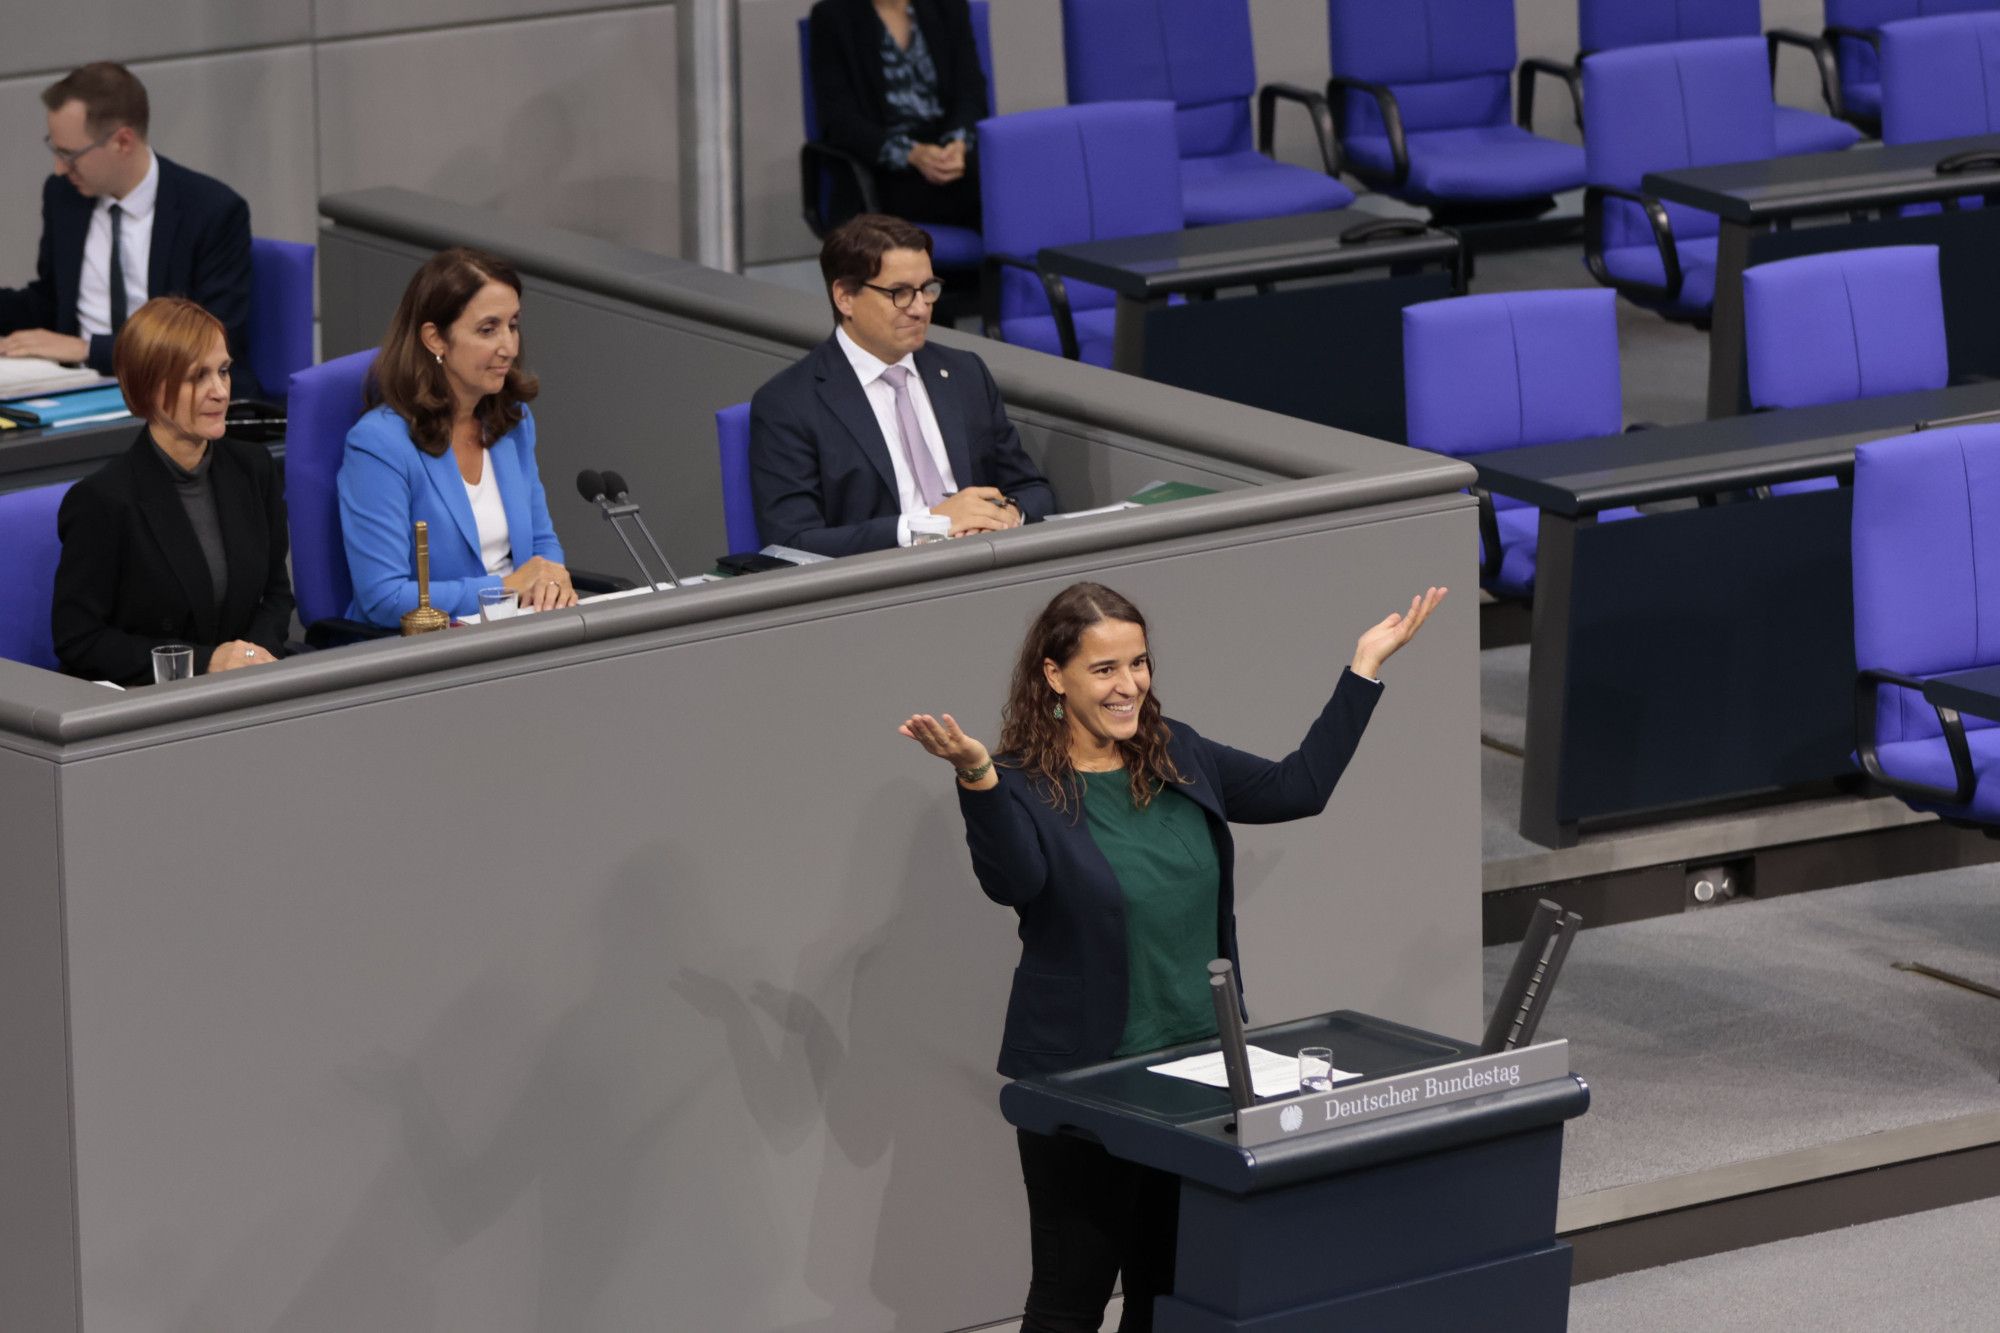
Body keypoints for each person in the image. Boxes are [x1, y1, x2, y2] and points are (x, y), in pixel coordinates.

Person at [898, 580, 1447, 1333]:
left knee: (1166, 1290)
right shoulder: (1020, 781)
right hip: (1086, 1083)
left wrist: (1363, 667)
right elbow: (1016, 883)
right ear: (1054, 676)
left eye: (1139, 663)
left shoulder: (1177, 751)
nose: (1129, 685)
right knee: (1071, 1298)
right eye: (1105, 669)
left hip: (1197, 1076)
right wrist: (978, 776)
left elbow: (1300, 786)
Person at [750, 213, 1053, 556]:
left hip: (986, 563)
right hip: (880, 589)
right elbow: (793, 541)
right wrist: (930, 523)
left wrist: (1006, 514)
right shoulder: (789, 403)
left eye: (927, 289)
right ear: (845, 297)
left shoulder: (965, 373)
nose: (920, 308)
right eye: (900, 293)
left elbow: (1032, 489)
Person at [51, 297, 293, 685]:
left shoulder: (254, 467)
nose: (219, 391)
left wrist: (251, 659)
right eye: (198, 376)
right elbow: (80, 639)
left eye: (224, 370)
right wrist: (208, 661)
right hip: (151, 704)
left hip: (248, 689)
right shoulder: (103, 501)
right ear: (149, 386)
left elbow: (276, 596)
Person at [338, 246, 576, 628]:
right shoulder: (379, 444)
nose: (509, 348)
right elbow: (383, 597)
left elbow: (542, 543)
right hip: (428, 650)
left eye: (512, 325)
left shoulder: (513, 420)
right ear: (435, 340)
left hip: (518, 630)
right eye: (488, 329)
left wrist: (552, 578)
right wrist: (507, 587)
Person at [0, 62, 259, 397]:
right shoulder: (64, 197)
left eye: (70, 154)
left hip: (174, 393)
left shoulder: (212, 211)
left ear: (122, 142)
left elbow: (209, 343)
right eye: (56, 150)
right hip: (76, 387)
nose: (60, 168)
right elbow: (50, 301)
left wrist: (87, 349)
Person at [808, 0, 987, 230]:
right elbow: (839, 120)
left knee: (1009, 182)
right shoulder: (833, 17)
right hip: (883, 168)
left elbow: (971, 92)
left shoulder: (948, 6)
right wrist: (912, 155)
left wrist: (958, 143)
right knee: (996, 196)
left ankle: (1011, 262)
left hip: (952, 156)